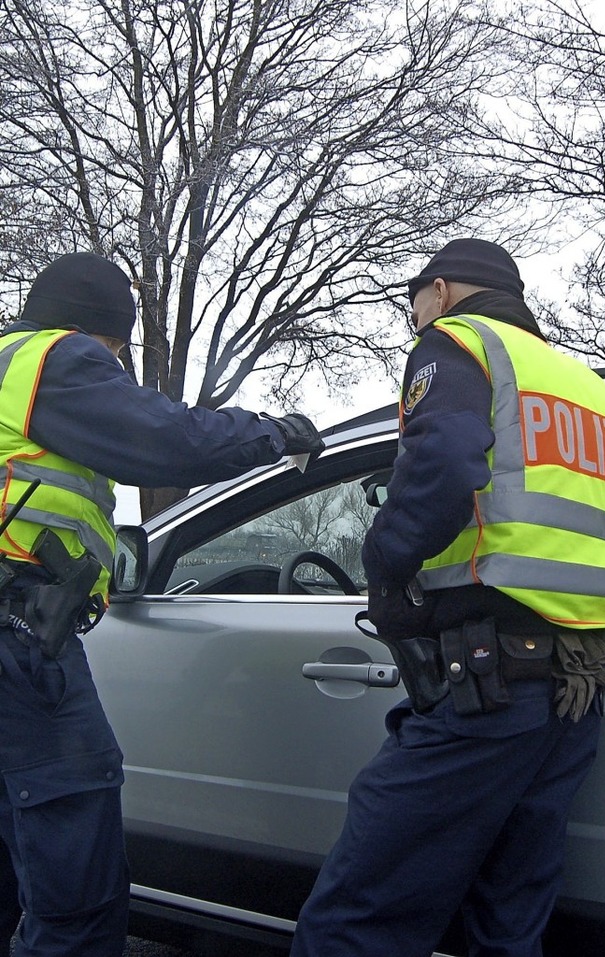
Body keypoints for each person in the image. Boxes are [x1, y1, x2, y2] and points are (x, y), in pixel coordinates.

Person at [290, 238, 605, 957]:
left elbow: (446, 458)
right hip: (578, 692)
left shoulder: (458, 343)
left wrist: (385, 566)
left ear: (440, 291)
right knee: (508, 922)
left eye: (412, 303)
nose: (413, 319)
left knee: (358, 917)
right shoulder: (592, 390)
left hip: (488, 686)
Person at [0, 252, 324, 957]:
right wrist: (273, 433)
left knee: (20, 860)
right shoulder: (55, 359)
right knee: (75, 888)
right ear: (92, 330)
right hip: (18, 636)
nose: (115, 366)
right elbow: (166, 439)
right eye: (116, 349)